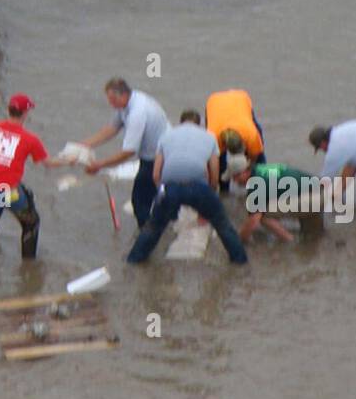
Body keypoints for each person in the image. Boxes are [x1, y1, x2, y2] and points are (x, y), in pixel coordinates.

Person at [126, 111, 248, 265]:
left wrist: (161, 192)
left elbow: (156, 174)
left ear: (181, 122)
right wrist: (210, 193)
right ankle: (240, 261)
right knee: (223, 225)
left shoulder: (166, 137)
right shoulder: (209, 137)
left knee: (153, 227)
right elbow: (214, 171)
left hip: (171, 187)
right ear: (199, 124)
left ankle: (134, 261)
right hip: (199, 186)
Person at [0, 93, 63, 259]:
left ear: (9, 110)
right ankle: (28, 261)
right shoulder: (30, 139)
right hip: (8, 192)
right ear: (25, 114)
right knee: (31, 222)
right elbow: (48, 163)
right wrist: (70, 160)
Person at [82, 78, 169, 227]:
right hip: (153, 153)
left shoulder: (137, 113)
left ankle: (147, 233)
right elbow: (112, 128)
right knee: (152, 192)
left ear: (122, 95)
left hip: (159, 156)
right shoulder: (127, 104)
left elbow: (128, 151)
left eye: (112, 100)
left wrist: (100, 165)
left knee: (139, 200)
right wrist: (83, 146)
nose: (111, 104)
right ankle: (162, 217)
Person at [204, 88, 267, 195]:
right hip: (214, 104)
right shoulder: (212, 136)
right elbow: (213, 164)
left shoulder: (251, 135)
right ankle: (224, 191)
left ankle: (261, 186)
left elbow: (254, 158)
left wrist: (247, 171)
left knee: (259, 156)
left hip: (240, 100)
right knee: (219, 160)